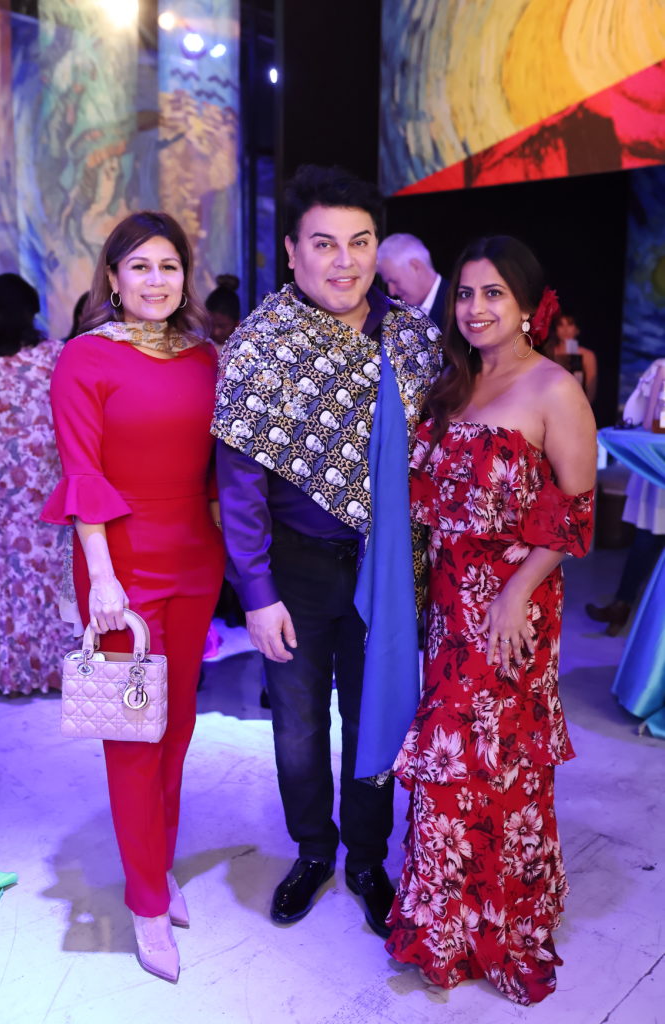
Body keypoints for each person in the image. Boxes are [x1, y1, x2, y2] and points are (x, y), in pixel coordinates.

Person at [213, 165, 442, 937]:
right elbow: (239, 484)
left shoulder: (415, 341)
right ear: (290, 251)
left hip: (390, 567)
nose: (344, 261)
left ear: (377, 247)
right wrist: (256, 592)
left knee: (378, 713)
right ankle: (313, 851)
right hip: (297, 570)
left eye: (359, 242)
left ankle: (367, 859)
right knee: (300, 726)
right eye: (323, 244)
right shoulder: (261, 345)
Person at [385, 236, 596, 1005]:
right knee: (452, 763)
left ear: (527, 305)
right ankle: (443, 926)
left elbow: (575, 510)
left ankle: (502, 927)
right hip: (448, 606)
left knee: (491, 764)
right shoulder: (454, 383)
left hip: (513, 609)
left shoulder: (553, 388)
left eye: (493, 293)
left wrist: (515, 592)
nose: (474, 308)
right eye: (466, 294)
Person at [42, 211, 225, 983]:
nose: (156, 280)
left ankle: (157, 861)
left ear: (186, 277)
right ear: (113, 278)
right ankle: (146, 899)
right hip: (119, 566)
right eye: (140, 266)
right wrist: (102, 578)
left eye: (169, 266)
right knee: (131, 735)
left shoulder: (205, 356)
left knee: (176, 726)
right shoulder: (84, 358)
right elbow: (82, 473)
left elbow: (220, 471)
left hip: (195, 558)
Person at [0, 273, 71, 694]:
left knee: (2, 579)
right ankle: (41, 667)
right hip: (34, 492)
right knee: (37, 577)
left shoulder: (52, 357)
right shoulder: (53, 357)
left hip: (1, 495)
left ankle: (7, 669)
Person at [586, 357, 665, 634]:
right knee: (645, 541)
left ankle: (625, 610)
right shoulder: (661, 368)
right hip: (658, 468)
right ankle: (622, 607)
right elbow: (643, 420)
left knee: (646, 542)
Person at [377, 232, 449, 330]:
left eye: (394, 281)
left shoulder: (455, 306)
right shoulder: (399, 314)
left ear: (415, 267)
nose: (391, 292)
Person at [543, 313, 598, 404]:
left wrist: (582, 407)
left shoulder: (587, 355)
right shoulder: (549, 353)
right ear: (556, 329)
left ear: (577, 329)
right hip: (551, 403)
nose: (565, 330)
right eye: (561, 325)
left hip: (578, 404)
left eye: (570, 324)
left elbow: (591, 388)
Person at [205, 273, 240, 349]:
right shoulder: (197, 346)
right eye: (210, 325)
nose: (216, 332)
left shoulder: (245, 349)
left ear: (237, 324)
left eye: (222, 326)